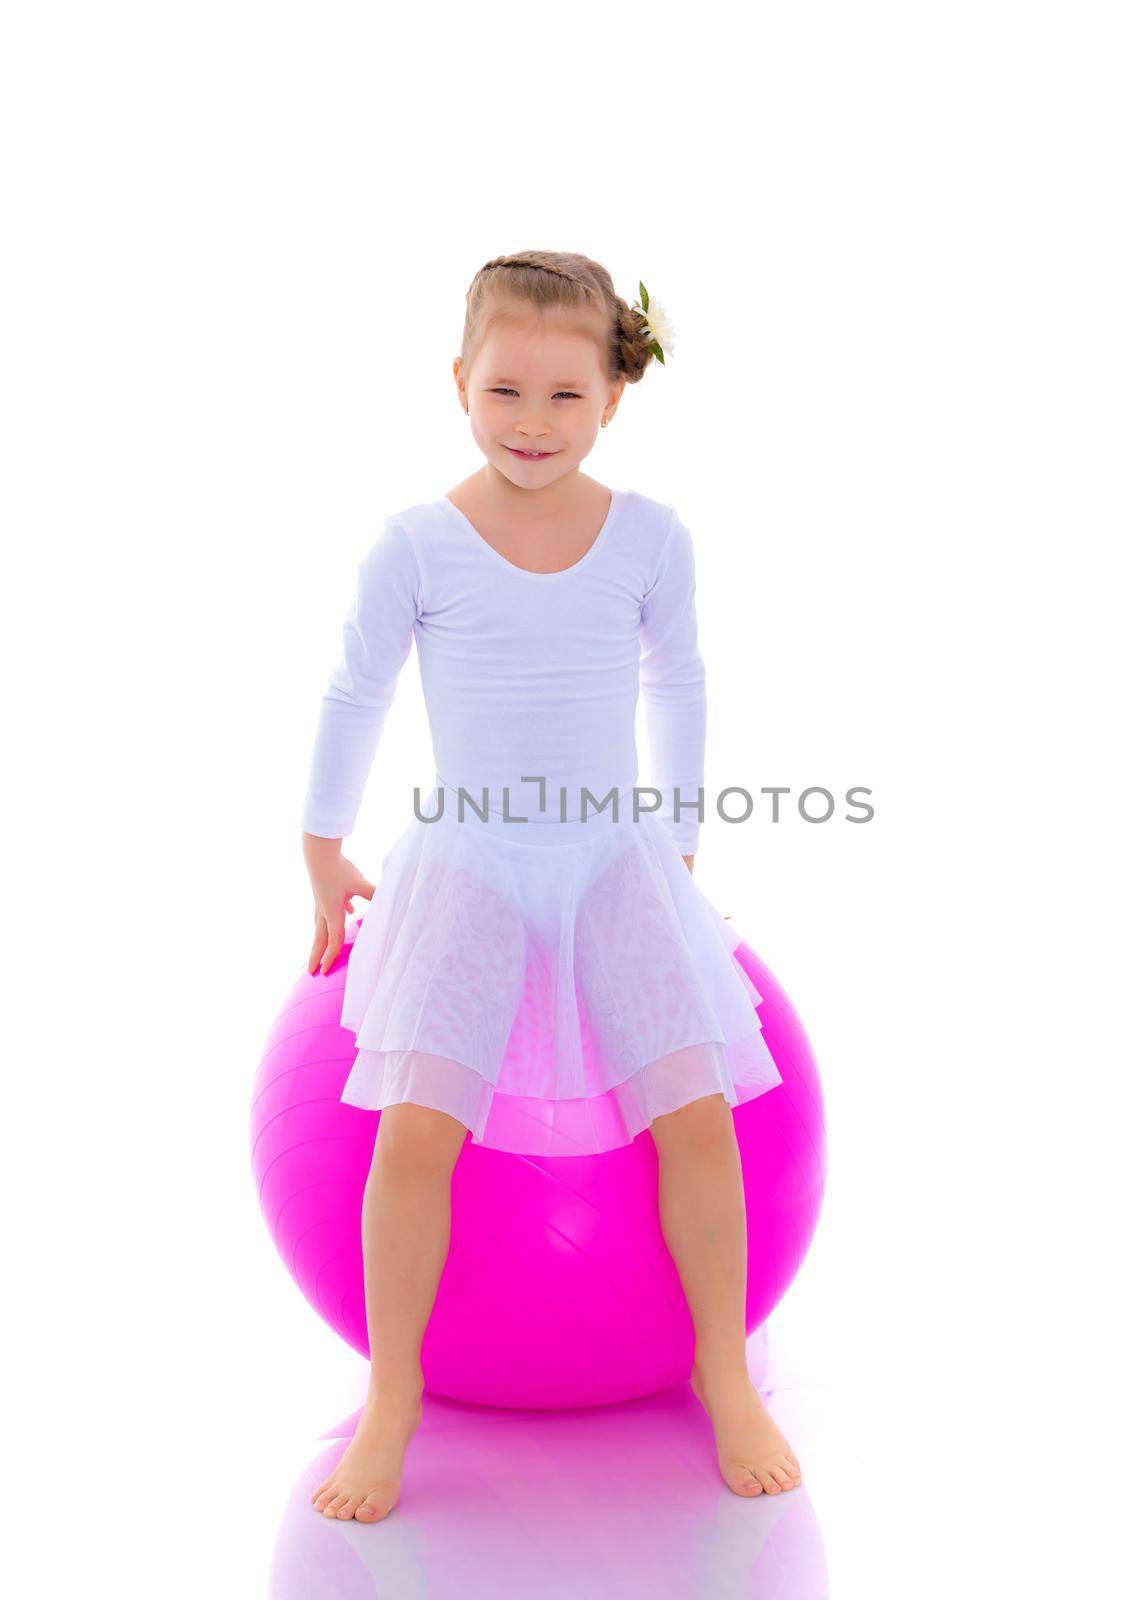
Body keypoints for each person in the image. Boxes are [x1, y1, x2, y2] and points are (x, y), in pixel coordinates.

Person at [301, 250, 801, 1524]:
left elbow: (677, 682)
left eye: (564, 396)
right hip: (469, 858)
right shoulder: (416, 543)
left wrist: (679, 856)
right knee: (418, 1128)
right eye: (505, 390)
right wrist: (320, 845)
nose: (532, 423)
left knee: (693, 1112)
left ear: (613, 399)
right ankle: (396, 1397)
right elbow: (355, 690)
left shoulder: (648, 536)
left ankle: (722, 1372)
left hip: (607, 857)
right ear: (458, 382)